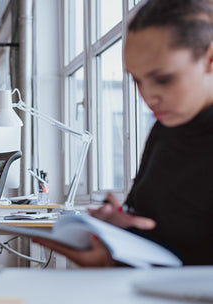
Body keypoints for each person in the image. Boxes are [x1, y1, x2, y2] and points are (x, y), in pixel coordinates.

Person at [34, 0, 213, 266]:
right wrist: (116, 223)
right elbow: (153, 225)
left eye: (163, 78)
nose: (147, 96)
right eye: (136, 80)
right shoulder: (166, 128)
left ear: (209, 59)